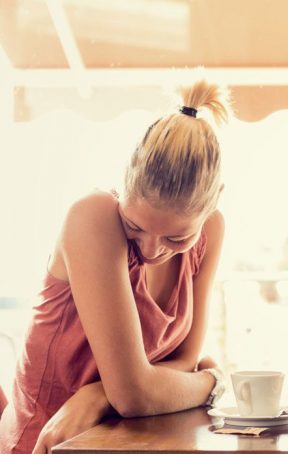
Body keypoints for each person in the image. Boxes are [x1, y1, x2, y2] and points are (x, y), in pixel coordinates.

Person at [0, 80, 229, 454]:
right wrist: (215, 380)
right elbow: (136, 394)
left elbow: (184, 361)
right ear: (123, 185)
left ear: (213, 202)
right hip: (47, 443)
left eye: (176, 238)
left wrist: (99, 394)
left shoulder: (212, 231)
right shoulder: (92, 216)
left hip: (127, 441)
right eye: (135, 226)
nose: (152, 250)